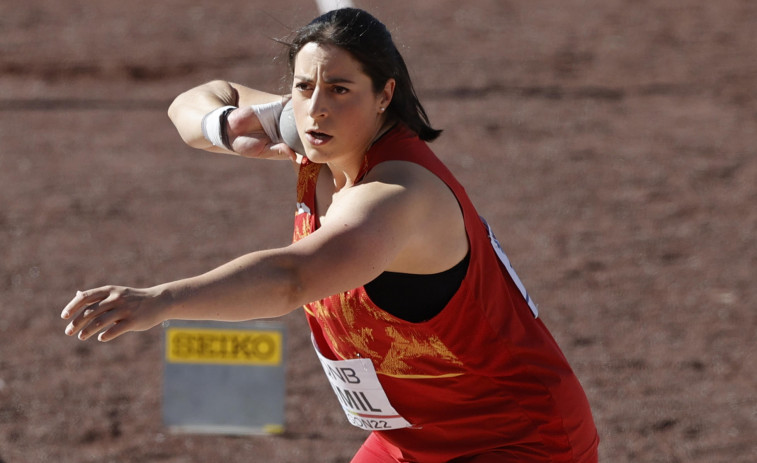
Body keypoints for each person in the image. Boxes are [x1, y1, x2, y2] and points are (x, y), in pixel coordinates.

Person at [61, 8, 599, 463]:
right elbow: (199, 98)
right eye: (303, 87)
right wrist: (225, 127)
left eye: (339, 90)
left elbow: (292, 279)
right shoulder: (314, 135)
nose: (316, 107)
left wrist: (162, 300)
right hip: (410, 437)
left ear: (385, 94)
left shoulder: (396, 195)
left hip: (518, 439)